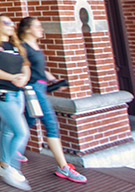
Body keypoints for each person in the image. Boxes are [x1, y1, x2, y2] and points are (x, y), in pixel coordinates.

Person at [18, 16, 87, 183]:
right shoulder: (22, 48)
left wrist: (54, 80)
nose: (41, 29)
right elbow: (25, 70)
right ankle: (63, 167)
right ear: (27, 29)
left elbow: (40, 69)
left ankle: (13, 147)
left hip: (40, 86)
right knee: (50, 123)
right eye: (38, 26)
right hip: (33, 89)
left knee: (29, 119)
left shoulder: (34, 46)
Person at [0, 14, 31, 191]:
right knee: (22, 131)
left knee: (8, 130)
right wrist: (12, 77)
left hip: (18, 93)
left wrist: (23, 79)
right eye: (6, 23)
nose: (11, 25)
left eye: (12, 23)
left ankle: (4, 165)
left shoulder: (16, 46)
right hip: (0, 93)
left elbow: (26, 66)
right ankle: (10, 167)